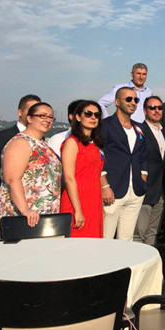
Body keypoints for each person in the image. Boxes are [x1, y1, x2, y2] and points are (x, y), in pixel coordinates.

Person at [0, 102, 62, 241]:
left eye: (50, 117)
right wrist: (25, 210)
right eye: (42, 116)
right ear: (29, 118)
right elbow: (12, 178)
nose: (47, 120)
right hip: (20, 215)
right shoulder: (21, 142)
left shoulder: (44, 145)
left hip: (40, 215)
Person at [0, 94, 41, 240]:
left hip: (34, 208)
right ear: (20, 112)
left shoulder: (41, 139)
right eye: (31, 110)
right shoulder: (3, 136)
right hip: (8, 205)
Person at [101, 87, 148, 241]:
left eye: (136, 99)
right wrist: (105, 186)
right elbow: (98, 156)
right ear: (116, 102)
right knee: (106, 238)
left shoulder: (139, 127)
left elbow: (142, 154)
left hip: (135, 191)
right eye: (128, 99)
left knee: (127, 240)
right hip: (113, 190)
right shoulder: (105, 125)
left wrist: (143, 175)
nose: (133, 102)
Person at [60, 101, 104, 238]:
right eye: (88, 114)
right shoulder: (72, 142)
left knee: (93, 243)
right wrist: (77, 210)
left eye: (97, 115)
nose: (93, 117)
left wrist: (100, 206)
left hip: (94, 199)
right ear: (78, 117)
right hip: (77, 199)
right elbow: (69, 177)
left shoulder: (95, 144)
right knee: (77, 242)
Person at [134, 96, 165, 245]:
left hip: (161, 191)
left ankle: (149, 258)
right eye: (152, 108)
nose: (157, 111)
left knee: (153, 232)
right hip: (144, 190)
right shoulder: (139, 131)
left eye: (159, 108)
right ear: (145, 111)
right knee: (139, 232)